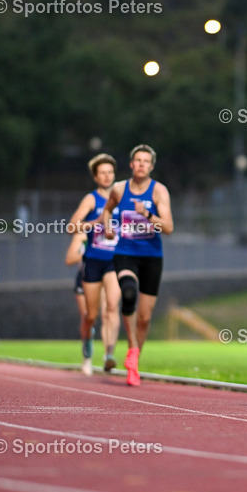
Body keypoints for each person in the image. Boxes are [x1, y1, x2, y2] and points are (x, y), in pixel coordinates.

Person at [102, 144, 173, 386]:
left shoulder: (159, 192)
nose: (141, 164)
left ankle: (135, 361)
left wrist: (148, 215)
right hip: (125, 252)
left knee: (144, 317)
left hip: (152, 256)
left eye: (146, 161)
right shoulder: (119, 189)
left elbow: (169, 228)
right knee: (128, 292)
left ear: (151, 166)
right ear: (131, 164)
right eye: (137, 160)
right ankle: (132, 347)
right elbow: (107, 210)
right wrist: (108, 226)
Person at [66, 155, 120, 375]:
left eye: (110, 172)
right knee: (90, 315)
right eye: (102, 173)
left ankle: (108, 355)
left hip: (115, 261)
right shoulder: (91, 199)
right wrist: (96, 222)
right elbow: (72, 227)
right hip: (93, 261)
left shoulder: (122, 197)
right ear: (96, 177)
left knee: (112, 307)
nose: (107, 176)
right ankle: (87, 346)